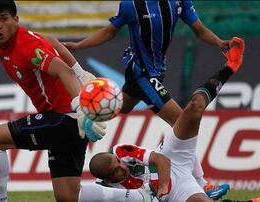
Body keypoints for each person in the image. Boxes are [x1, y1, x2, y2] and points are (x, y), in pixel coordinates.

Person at [63, 0, 231, 197]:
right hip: (142, 74)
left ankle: (83, 114)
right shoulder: (131, 5)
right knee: (182, 122)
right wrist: (79, 45)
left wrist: (219, 41)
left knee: (122, 107)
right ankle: (203, 185)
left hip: (155, 71)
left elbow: (199, 28)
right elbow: (110, 31)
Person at [79, 37, 245, 201]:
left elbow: (161, 159)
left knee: (193, 109)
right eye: (116, 171)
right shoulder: (109, 192)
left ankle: (230, 67)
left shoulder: (121, 152)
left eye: (118, 163)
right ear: (107, 180)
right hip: (176, 189)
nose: (122, 166)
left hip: (170, 156)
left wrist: (163, 187)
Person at [0, 0, 106, 201]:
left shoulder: (27, 46)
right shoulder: (3, 46)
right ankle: (135, 196)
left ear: (16, 20)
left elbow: (62, 71)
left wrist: (81, 109)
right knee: (68, 197)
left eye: (4, 19)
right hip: (68, 119)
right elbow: (52, 41)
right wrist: (81, 73)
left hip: (65, 117)